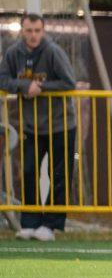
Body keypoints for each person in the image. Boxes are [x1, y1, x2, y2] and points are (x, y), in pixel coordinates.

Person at [0, 13, 78, 241]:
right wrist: (25, 86)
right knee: (28, 173)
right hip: (30, 126)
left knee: (59, 175)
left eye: (37, 31)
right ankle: (30, 222)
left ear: (43, 31)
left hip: (61, 124)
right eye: (28, 30)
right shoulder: (14, 53)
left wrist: (41, 87)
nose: (33, 35)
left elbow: (69, 82)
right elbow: (2, 79)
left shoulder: (53, 52)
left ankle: (51, 225)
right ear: (22, 31)